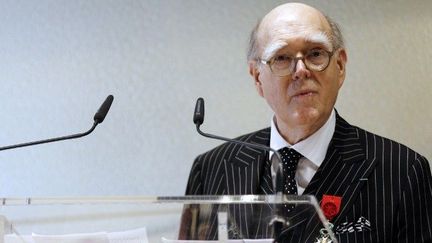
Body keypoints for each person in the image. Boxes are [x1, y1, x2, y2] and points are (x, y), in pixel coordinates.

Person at [183, 3, 432, 243]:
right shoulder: (211, 169)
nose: (301, 70)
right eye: (281, 57)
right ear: (257, 77)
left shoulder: (402, 171)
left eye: (315, 53)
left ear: (340, 65)